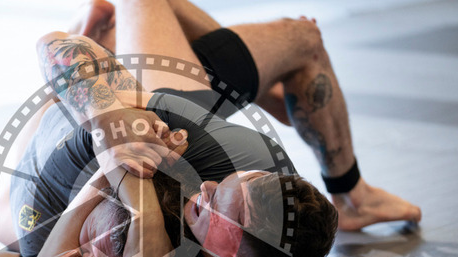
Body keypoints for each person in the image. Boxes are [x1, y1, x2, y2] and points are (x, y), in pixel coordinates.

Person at [0, 24, 338, 257]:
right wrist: (108, 133)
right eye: (221, 187)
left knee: (18, 233)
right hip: (108, 122)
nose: (206, 191)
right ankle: (351, 190)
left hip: (31, 193)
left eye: (214, 204)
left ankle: (100, 31)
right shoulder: (202, 161)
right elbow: (54, 45)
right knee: (300, 38)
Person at [77, 0, 422, 231]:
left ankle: (272, 92)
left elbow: (57, 44)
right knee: (305, 40)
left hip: (157, 113)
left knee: (125, 16)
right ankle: (351, 195)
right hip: (166, 113)